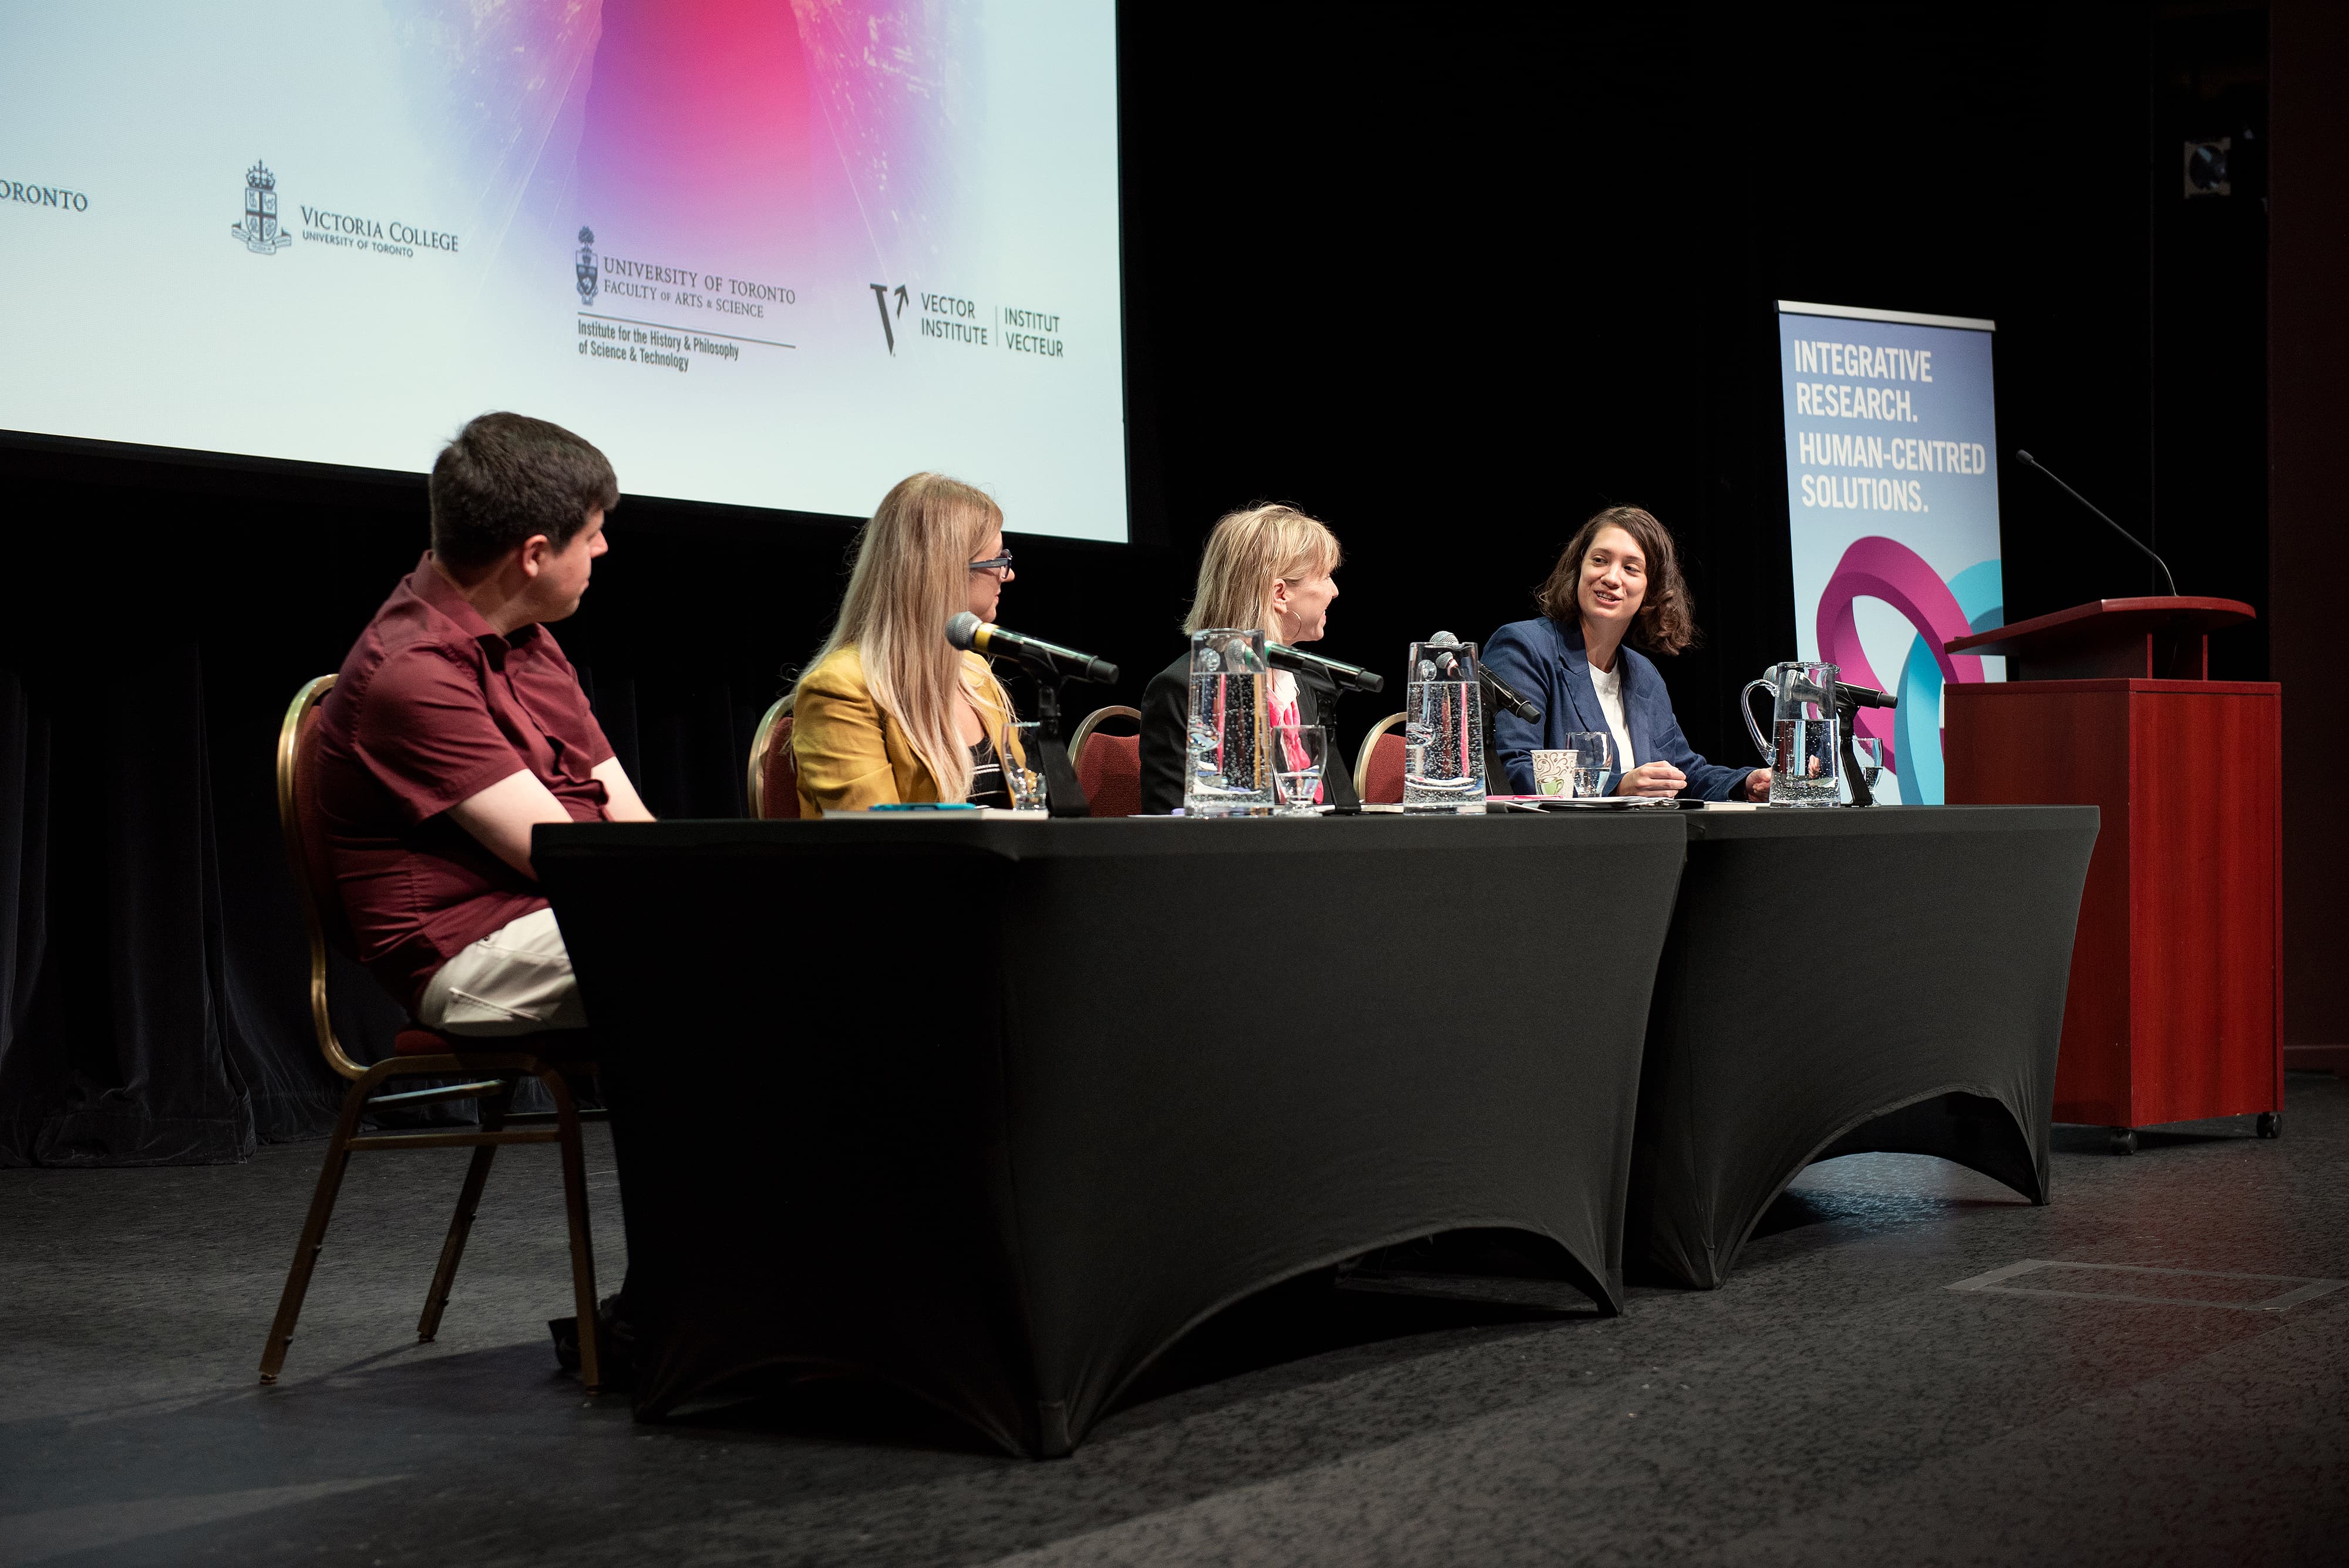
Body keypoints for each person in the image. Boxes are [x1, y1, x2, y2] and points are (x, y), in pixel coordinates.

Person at [313, 412, 655, 1034]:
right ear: (534, 555)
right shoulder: (411, 674)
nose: (603, 549)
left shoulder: (531, 641)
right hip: (471, 952)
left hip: (568, 911)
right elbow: (565, 860)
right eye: (592, 535)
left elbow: (630, 825)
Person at [1484, 505, 1770, 802]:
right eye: (1599, 560)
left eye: (1631, 568)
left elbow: (1682, 772)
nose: (1611, 577)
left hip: (1646, 842)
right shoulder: (1525, 647)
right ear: (1579, 568)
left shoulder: (1643, 673)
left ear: (1652, 590)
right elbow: (1507, 769)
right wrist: (1618, 788)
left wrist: (1745, 783)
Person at [791, 473, 1027, 816]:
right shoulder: (841, 689)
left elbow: (1024, 812)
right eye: (998, 561)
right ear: (944, 573)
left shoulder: (977, 675)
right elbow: (881, 843)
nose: (1008, 575)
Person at [1138, 503, 1363, 815]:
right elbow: (1174, 833)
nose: (1335, 591)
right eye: (1325, 576)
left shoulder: (1307, 685)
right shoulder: (1183, 689)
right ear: (1280, 594)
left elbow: (1338, 812)